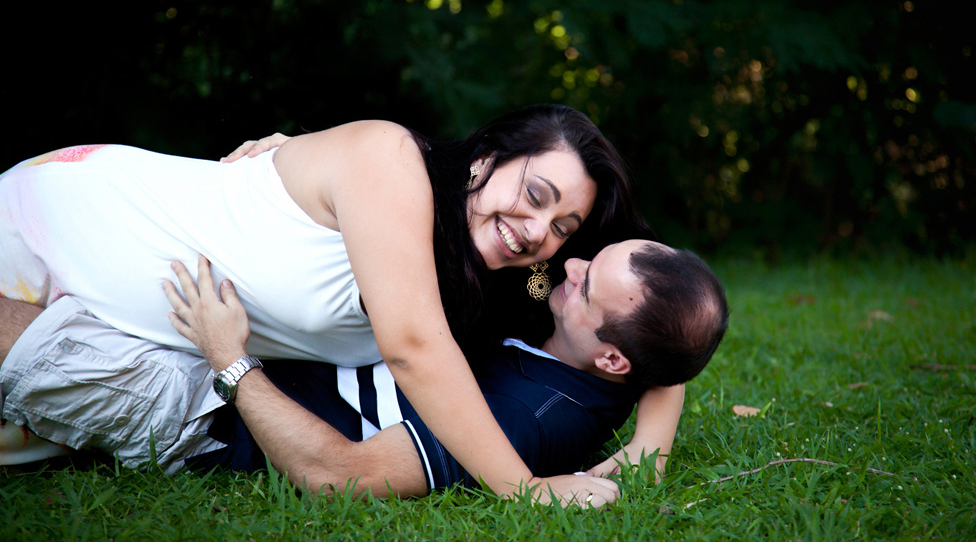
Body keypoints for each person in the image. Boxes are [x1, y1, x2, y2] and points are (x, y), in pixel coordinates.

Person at [0, 105, 669, 503]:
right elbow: (413, 349)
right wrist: (523, 490)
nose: (536, 229)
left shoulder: (497, 280)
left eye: (561, 228)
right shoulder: (389, 160)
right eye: (536, 193)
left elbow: (665, 311)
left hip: (129, 321)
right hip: (62, 231)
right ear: (486, 160)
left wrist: (651, 447)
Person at [0, 240, 728, 503]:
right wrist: (648, 452)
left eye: (584, 280)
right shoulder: (585, 333)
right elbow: (674, 344)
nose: (565, 264)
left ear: (612, 358)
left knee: (18, 332)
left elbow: (338, 477)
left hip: (201, 409)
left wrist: (230, 359)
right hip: (268, 342)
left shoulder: (527, 420)